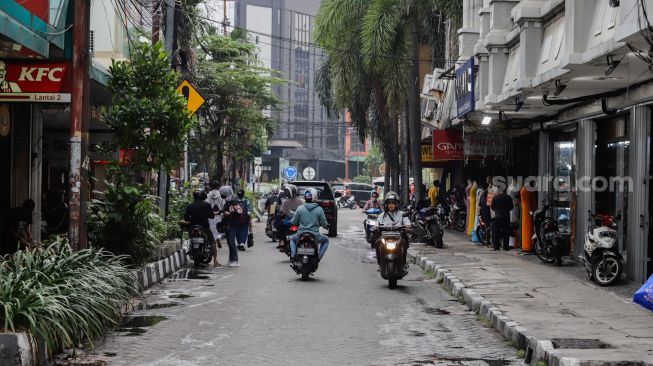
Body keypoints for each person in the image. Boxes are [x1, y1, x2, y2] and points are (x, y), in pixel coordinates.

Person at [290, 188, 329, 260]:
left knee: (292, 239)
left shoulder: (300, 208)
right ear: (315, 197)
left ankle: (293, 255)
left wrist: (291, 222)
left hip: (300, 234)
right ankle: (318, 257)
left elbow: (294, 222)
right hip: (315, 236)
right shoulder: (319, 209)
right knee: (326, 240)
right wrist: (326, 226)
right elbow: (324, 223)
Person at [375, 191, 411, 268]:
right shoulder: (382, 215)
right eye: (389, 204)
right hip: (385, 236)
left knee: (404, 243)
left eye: (393, 203)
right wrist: (376, 226)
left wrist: (407, 226)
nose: (391, 205)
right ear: (386, 205)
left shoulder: (402, 214)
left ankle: (403, 263)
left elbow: (407, 223)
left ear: (396, 204)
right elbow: (377, 223)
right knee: (377, 242)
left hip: (399, 236)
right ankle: (380, 263)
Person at [184, 191, 219, 267]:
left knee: (190, 238)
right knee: (212, 241)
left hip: (192, 227)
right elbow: (212, 216)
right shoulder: (206, 205)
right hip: (204, 227)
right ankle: (215, 261)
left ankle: (191, 251)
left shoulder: (190, 206)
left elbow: (186, 218)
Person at [224, 189, 252, 260]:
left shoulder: (234, 201)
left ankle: (240, 243)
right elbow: (249, 209)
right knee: (244, 230)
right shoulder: (246, 201)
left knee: (239, 231)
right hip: (244, 218)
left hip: (237, 219)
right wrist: (248, 215)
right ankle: (241, 243)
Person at [277, 185, 304, 249]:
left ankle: (282, 242)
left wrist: (280, 214)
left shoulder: (286, 202)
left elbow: (281, 211)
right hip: (299, 223)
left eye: (286, 192)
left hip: (288, 223)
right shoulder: (301, 201)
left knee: (280, 227)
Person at [205, 181, 225, 266]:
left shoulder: (208, 195)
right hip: (218, 216)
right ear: (218, 187)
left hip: (210, 216)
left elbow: (206, 204)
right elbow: (223, 205)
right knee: (215, 232)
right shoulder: (220, 195)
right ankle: (215, 260)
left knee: (211, 231)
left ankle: (216, 240)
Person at [491, 187, 514, 251]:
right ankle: (505, 247)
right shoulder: (508, 197)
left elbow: (492, 207)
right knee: (506, 233)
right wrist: (506, 211)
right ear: (505, 191)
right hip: (506, 217)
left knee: (496, 233)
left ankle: (496, 247)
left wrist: (497, 210)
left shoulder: (495, 197)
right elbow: (511, 207)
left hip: (497, 217)